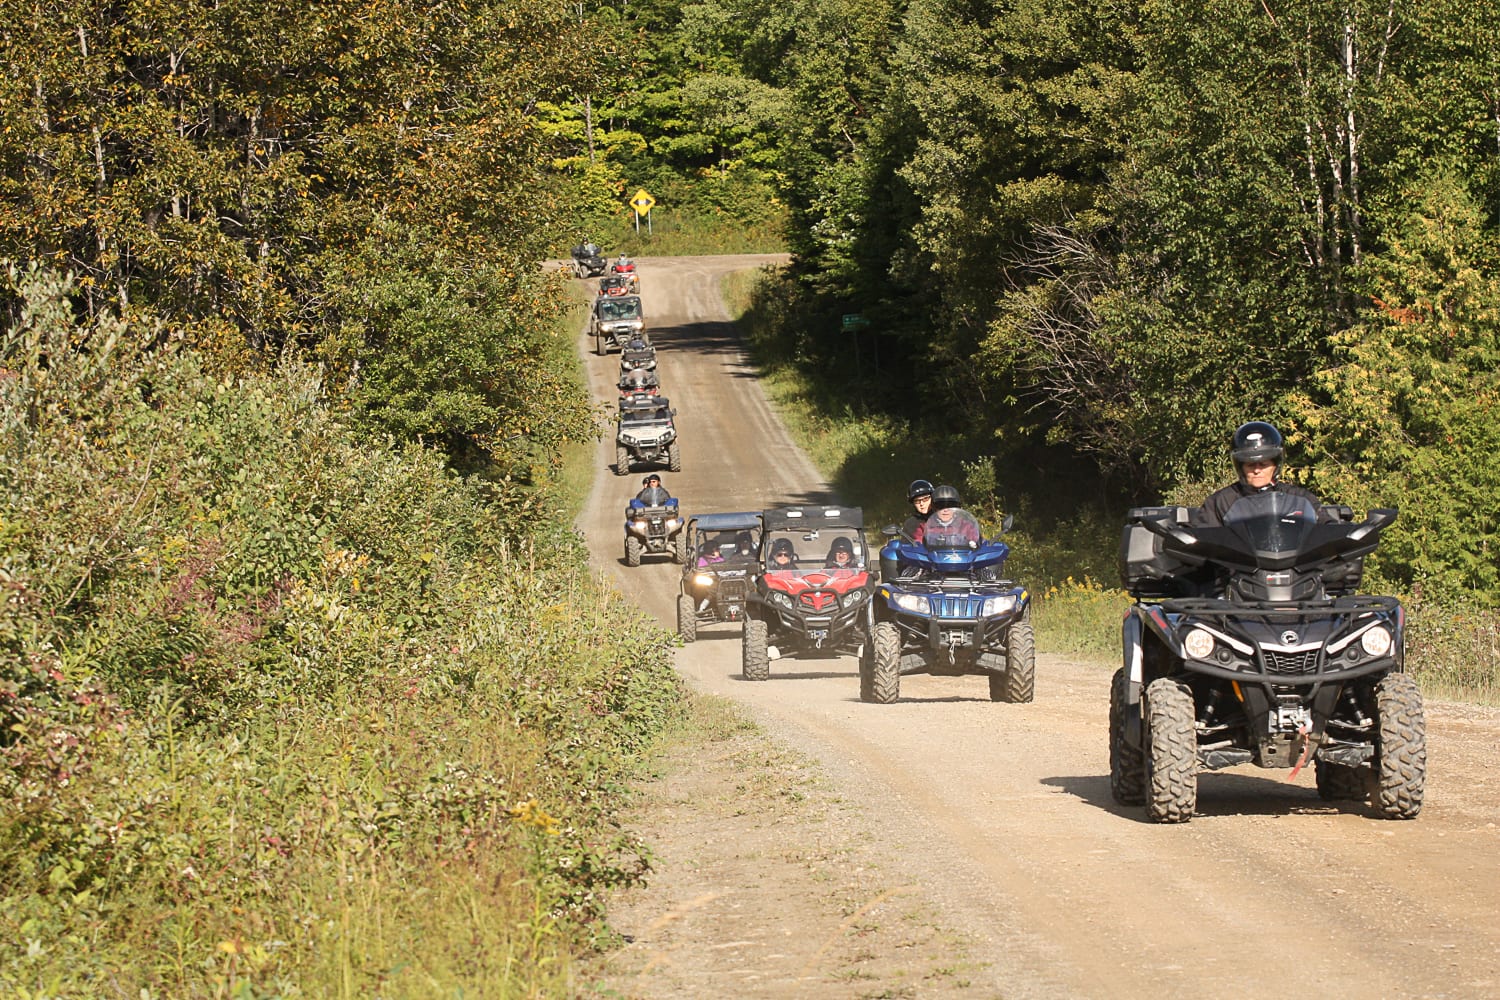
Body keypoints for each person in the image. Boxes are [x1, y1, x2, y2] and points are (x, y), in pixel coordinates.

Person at [1197, 421, 1324, 526]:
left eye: (1263, 464)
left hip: (1296, 557)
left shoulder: (1301, 499)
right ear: (1240, 467)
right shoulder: (1221, 501)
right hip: (1237, 557)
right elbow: (1198, 537)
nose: (1257, 470)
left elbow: (1330, 529)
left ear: (1275, 466)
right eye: (1250, 464)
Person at [915, 486, 981, 546]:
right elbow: (916, 547)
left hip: (962, 559)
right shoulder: (925, 527)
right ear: (934, 507)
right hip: (932, 559)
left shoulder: (966, 526)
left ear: (957, 507)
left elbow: (982, 545)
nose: (946, 510)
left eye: (951, 505)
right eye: (941, 505)